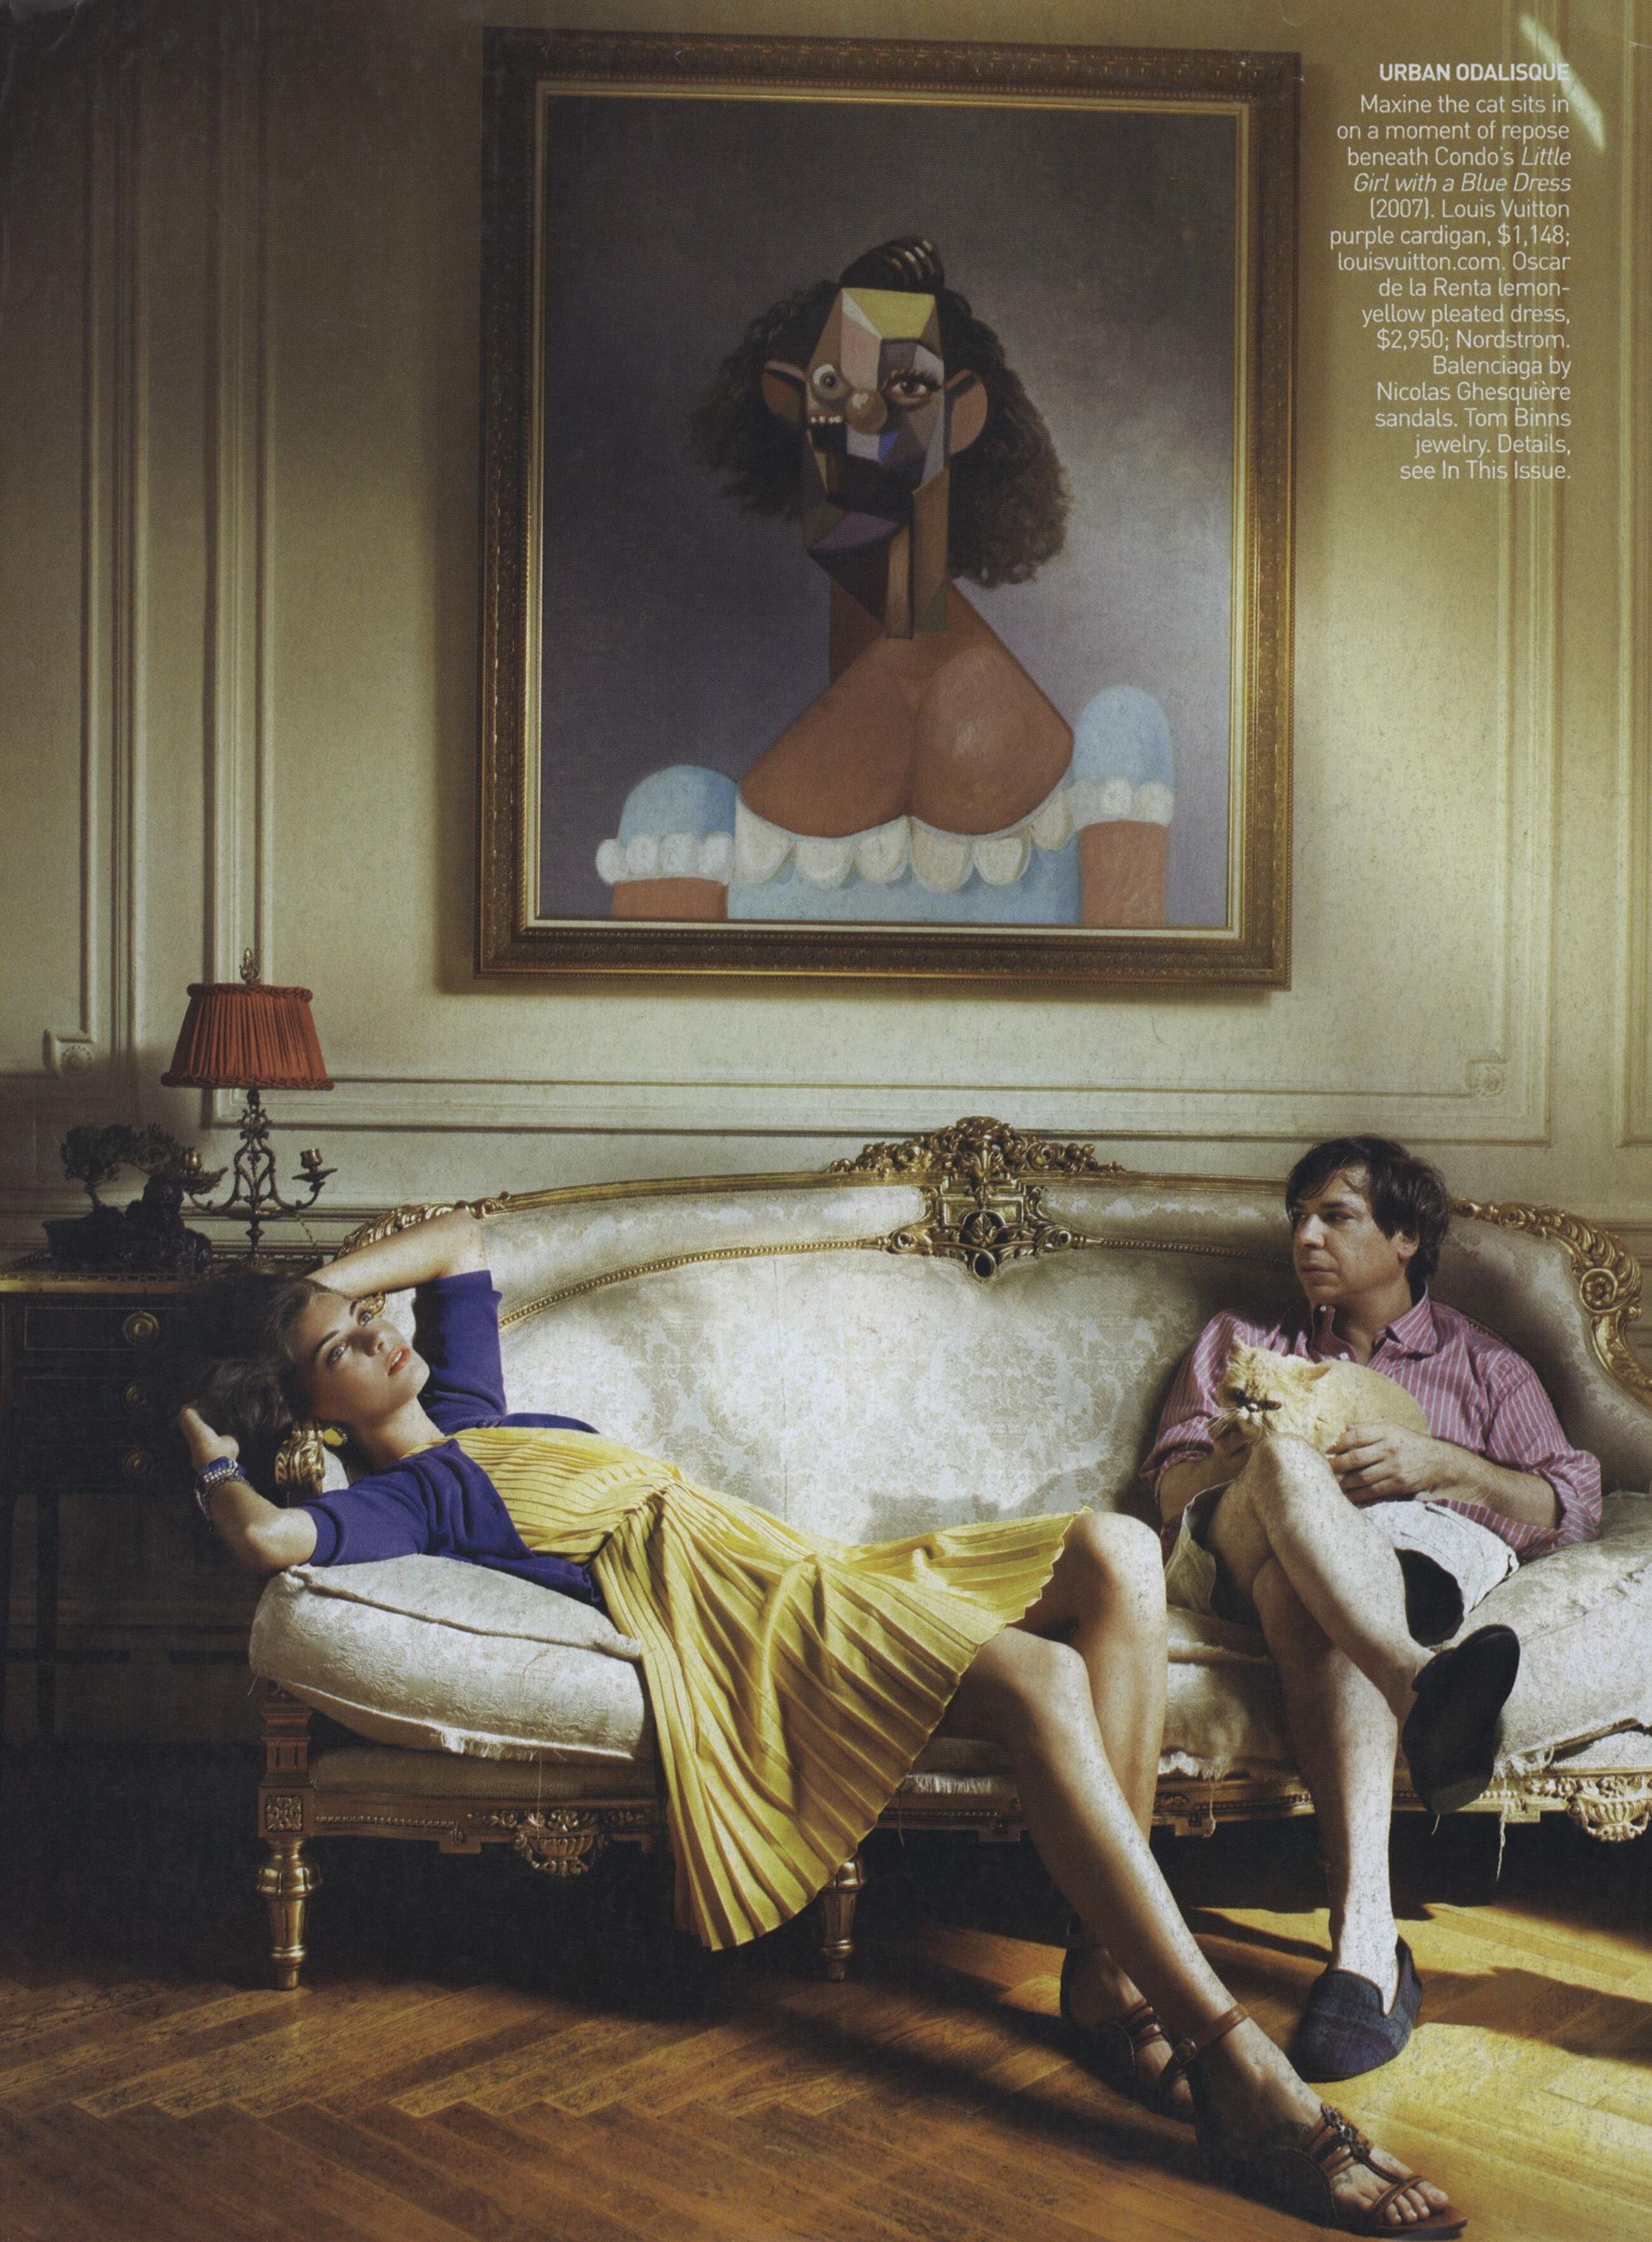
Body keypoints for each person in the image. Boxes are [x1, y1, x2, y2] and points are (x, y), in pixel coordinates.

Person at [172, 1206, 1463, 2236]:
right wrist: (211, 1444)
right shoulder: (409, 1496)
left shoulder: (472, 1410)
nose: (379, 1335)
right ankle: (1237, 2069)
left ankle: (1109, 1971)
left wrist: (317, 1288)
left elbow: (459, 1238)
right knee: (1037, 1679)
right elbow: (273, 1537)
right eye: (343, 1351)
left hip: (795, 1564)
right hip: (744, 1620)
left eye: (371, 1320)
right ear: (312, 1410)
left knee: (1119, 1547)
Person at [1142, 1137, 1601, 2083]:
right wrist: (1242, 1456)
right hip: (1236, 1543)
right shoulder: (1241, 1340)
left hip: (1404, 1560)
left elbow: (1571, 1503)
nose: (1305, 1237)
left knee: (1303, 1598)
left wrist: (1450, 1465)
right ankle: (1415, 1681)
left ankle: (1364, 1940)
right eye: (1298, 1218)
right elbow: (1166, 1489)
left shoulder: (1482, 1364)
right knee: (1282, 1461)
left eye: (1335, 1216)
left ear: (1404, 1238)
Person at [598, 236, 1175, 930]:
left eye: (907, 388)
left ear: (960, 416)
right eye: (832, 386)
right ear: (792, 404)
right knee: (669, 801)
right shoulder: (684, 819)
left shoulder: (1110, 747)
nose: (863, 418)